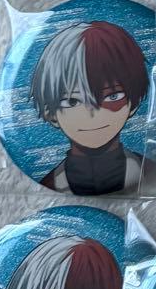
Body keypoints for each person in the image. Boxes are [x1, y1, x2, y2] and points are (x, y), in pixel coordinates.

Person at [30, 19, 148, 193]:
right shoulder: (49, 183)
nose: (93, 114)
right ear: (51, 113)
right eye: (72, 101)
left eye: (112, 96)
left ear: (134, 104)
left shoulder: (152, 168)